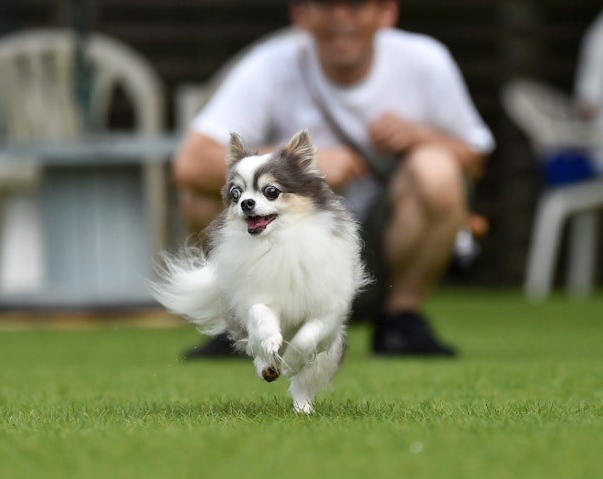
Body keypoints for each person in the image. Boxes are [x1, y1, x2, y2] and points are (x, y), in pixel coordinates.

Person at [172, 0, 495, 358]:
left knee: (436, 168)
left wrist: (421, 137)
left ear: (386, 12)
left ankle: (401, 318)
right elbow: (190, 163)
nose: (340, 17)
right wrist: (296, 164)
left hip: (380, 247)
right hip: (283, 258)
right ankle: (244, 319)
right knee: (204, 192)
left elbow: (476, 158)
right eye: (326, 5)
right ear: (301, 15)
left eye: (356, 5)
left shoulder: (425, 60)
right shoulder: (268, 63)